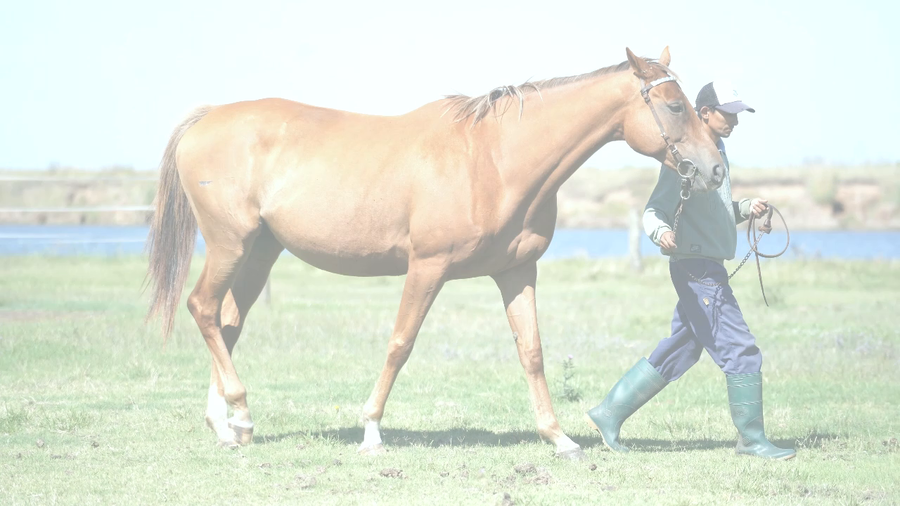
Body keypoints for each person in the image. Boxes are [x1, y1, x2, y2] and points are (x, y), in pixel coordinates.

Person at [586, 81, 796, 460]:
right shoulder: (683, 159)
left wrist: (746, 208)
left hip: (704, 265)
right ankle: (751, 439)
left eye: (737, 113)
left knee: (680, 349)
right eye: (727, 112)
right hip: (697, 268)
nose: (734, 120)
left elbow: (714, 215)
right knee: (741, 349)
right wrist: (661, 231)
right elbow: (654, 211)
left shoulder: (716, 155)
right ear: (704, 113)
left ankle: (607, 414)